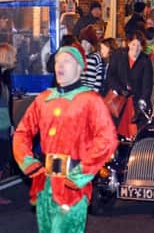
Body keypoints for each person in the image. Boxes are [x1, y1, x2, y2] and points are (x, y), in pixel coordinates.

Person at [12, 46, 118, 233]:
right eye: (58, 61)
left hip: (71, 188)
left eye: (66, 61)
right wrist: (29, 163)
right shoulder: (44, 98)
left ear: (80, 68)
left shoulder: (90, 100)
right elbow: (21, 133)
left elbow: (108, 139)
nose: (60, 66)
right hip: (44, 185)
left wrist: (80, 174)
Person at [106, 31, 153, 137]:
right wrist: (120, 89)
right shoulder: (118, 55)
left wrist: (142, 103)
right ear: (128, 44)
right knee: (115, 132)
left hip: (135, 103)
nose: (136, 48)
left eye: (139, 45)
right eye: (133, 44)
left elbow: (147, 86)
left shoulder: (145, 61)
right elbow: (110, 76)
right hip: (118, 100)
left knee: (135, 133)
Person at [0, 43, 16, 203]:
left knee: (3, 158)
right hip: (1, 124)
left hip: (4, 124)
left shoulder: (5, 77)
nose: (16, 59)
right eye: (13, 56)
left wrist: (11, 124)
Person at [79, 25, 104, 92]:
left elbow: (99, 78)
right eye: (82, 42)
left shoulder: (96, 57)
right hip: (80, 93)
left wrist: (94, 93)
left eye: (87, 42)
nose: (84, 45)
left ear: (92, 44)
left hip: (91, 93)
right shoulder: (79, 56)